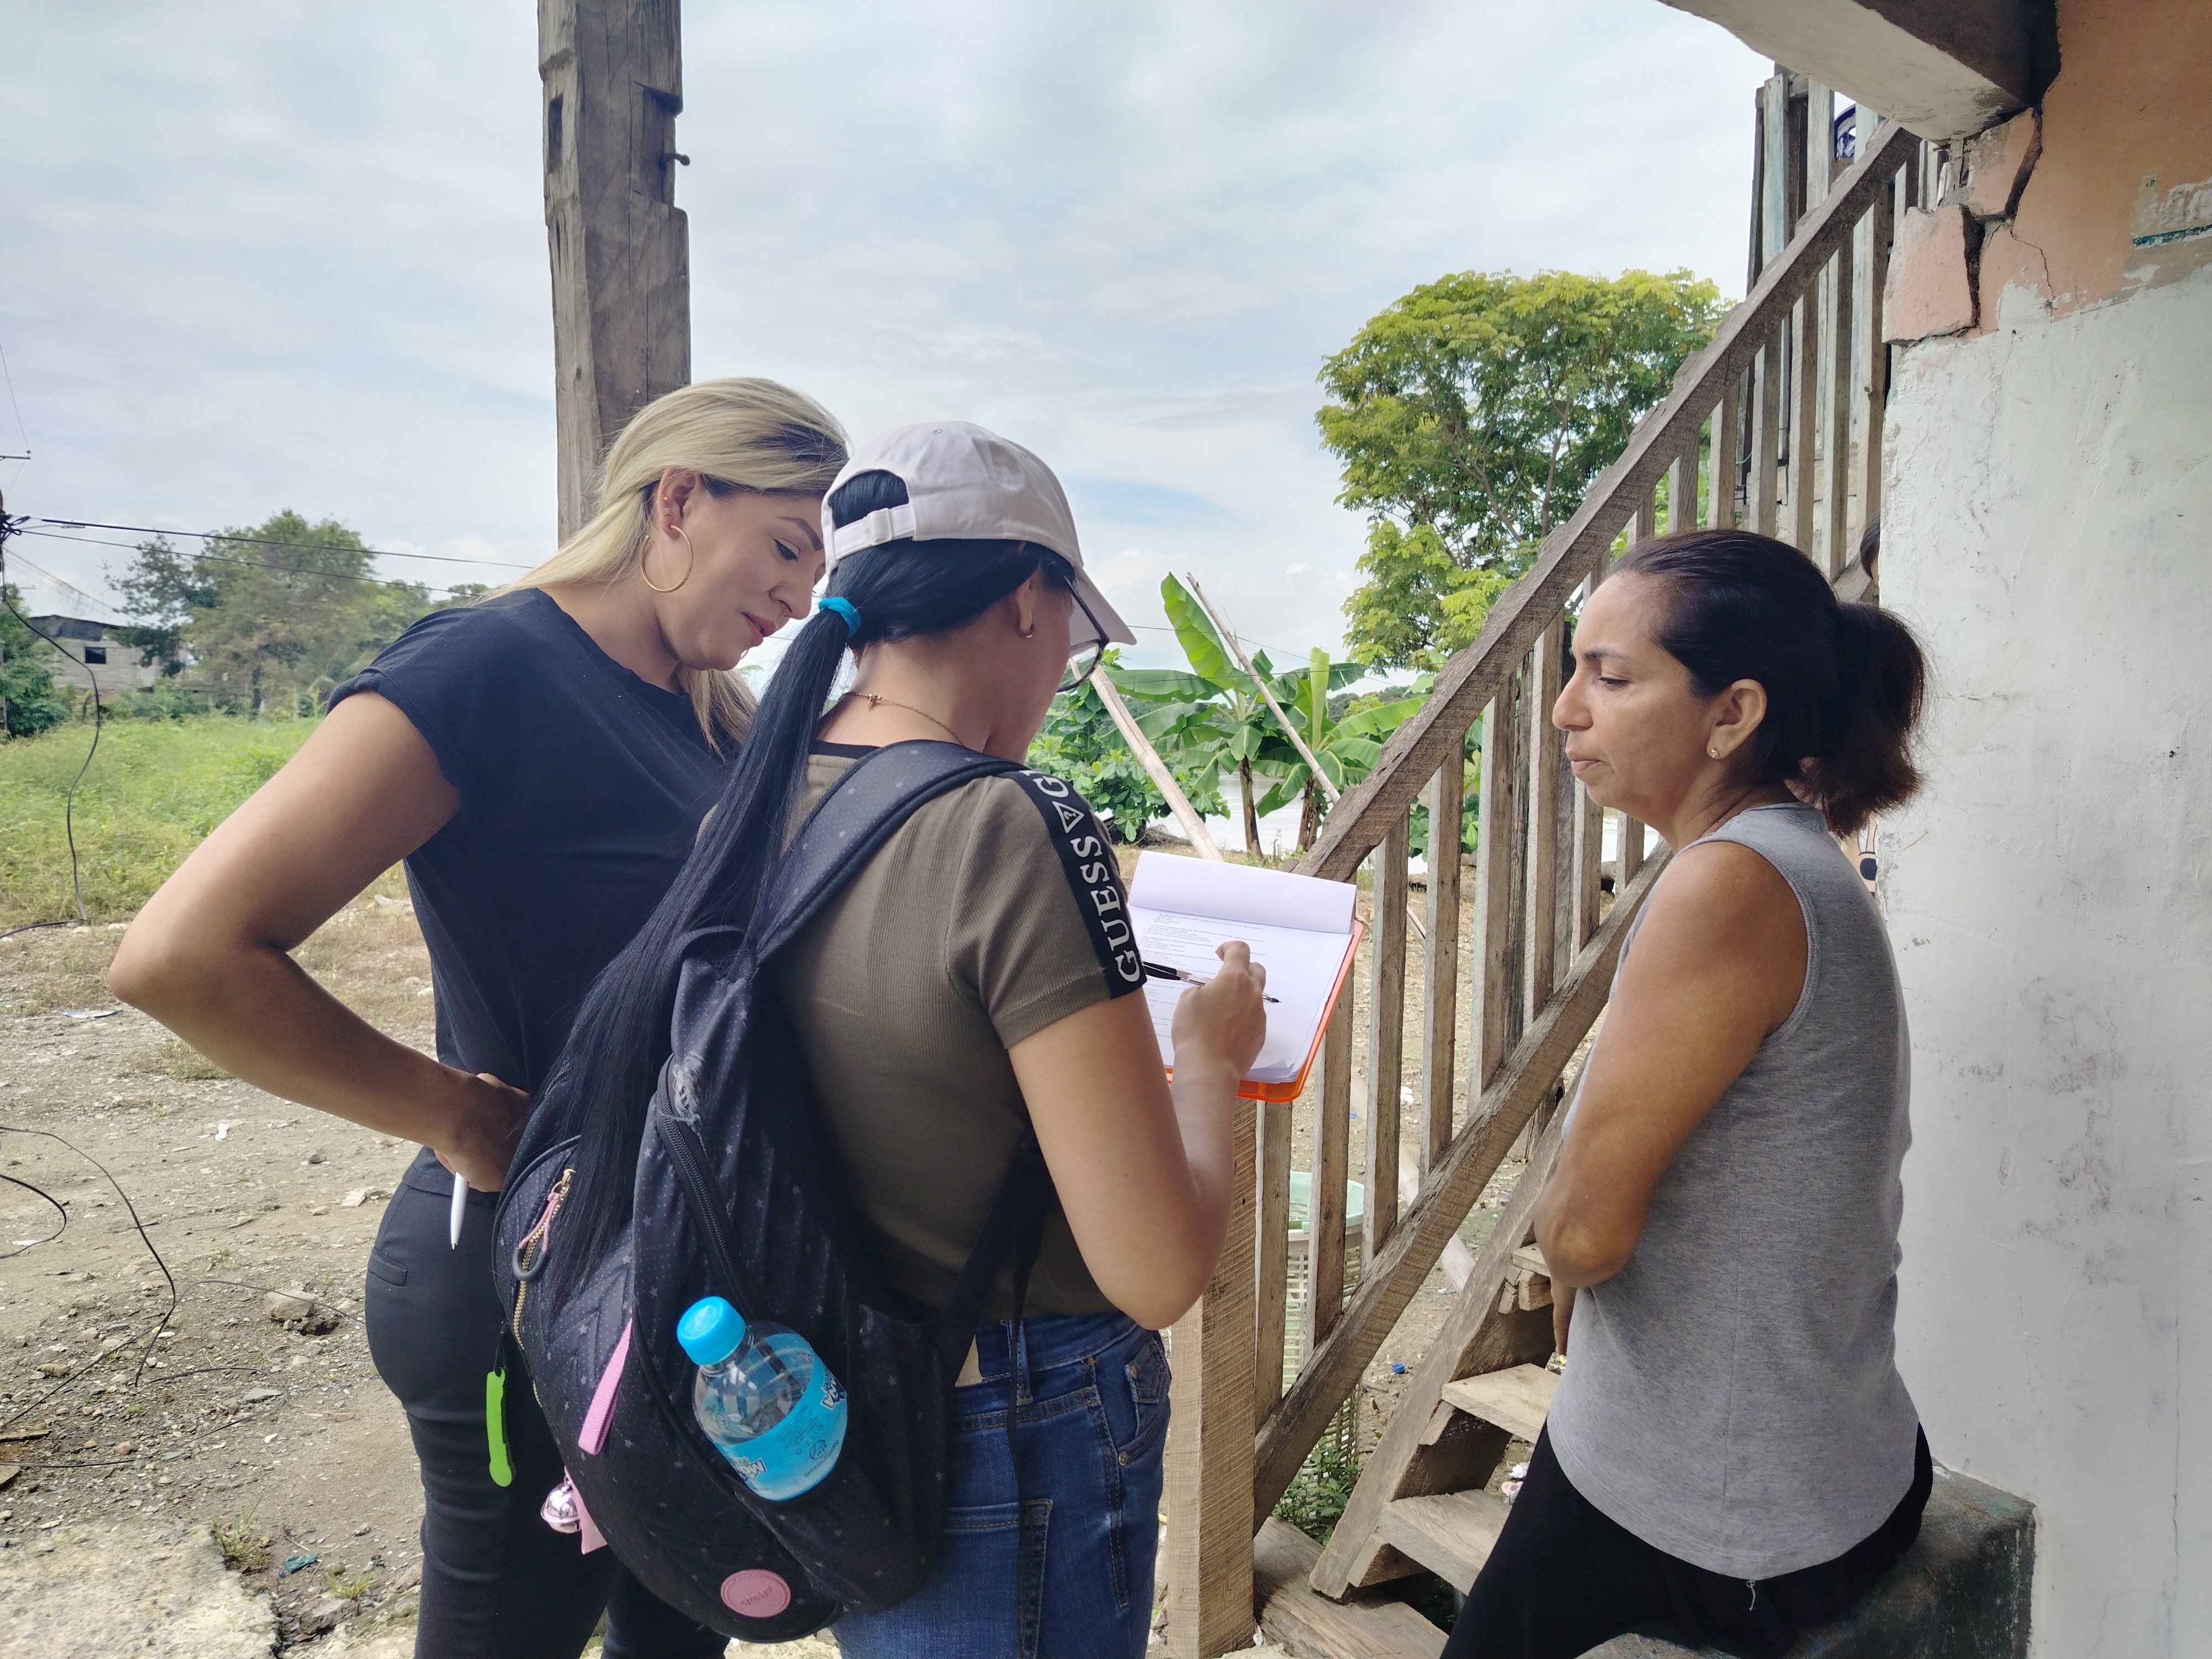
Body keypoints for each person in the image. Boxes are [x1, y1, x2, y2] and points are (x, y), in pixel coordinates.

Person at [107, 377, 848, 1659]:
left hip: (682, 1275)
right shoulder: (490, 665)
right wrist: (449, 1110)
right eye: (785, 547)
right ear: (678, 499)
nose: (795, 597)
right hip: (525, 1282)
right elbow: (181, 955)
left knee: (682, 1631)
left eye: (815, 571)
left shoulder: (707, 709)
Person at [540, 422, 1267, 1659]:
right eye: (1072, 633)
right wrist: (1210, 1058)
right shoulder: (1011, 823)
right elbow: (1154, 1271)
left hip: (840, 1403)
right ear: (1030, 600)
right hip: (1011, 1428)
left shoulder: (759, 798)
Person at [1446, 528, 1931, 1659]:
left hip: (1726, 1507)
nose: (1566, 710)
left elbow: (1583, 1233)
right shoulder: (1792, 854)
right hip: (1839, 1455)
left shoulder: (1729, 883)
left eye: (1610, 678)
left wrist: (1570, 1252)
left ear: (1732, 715)